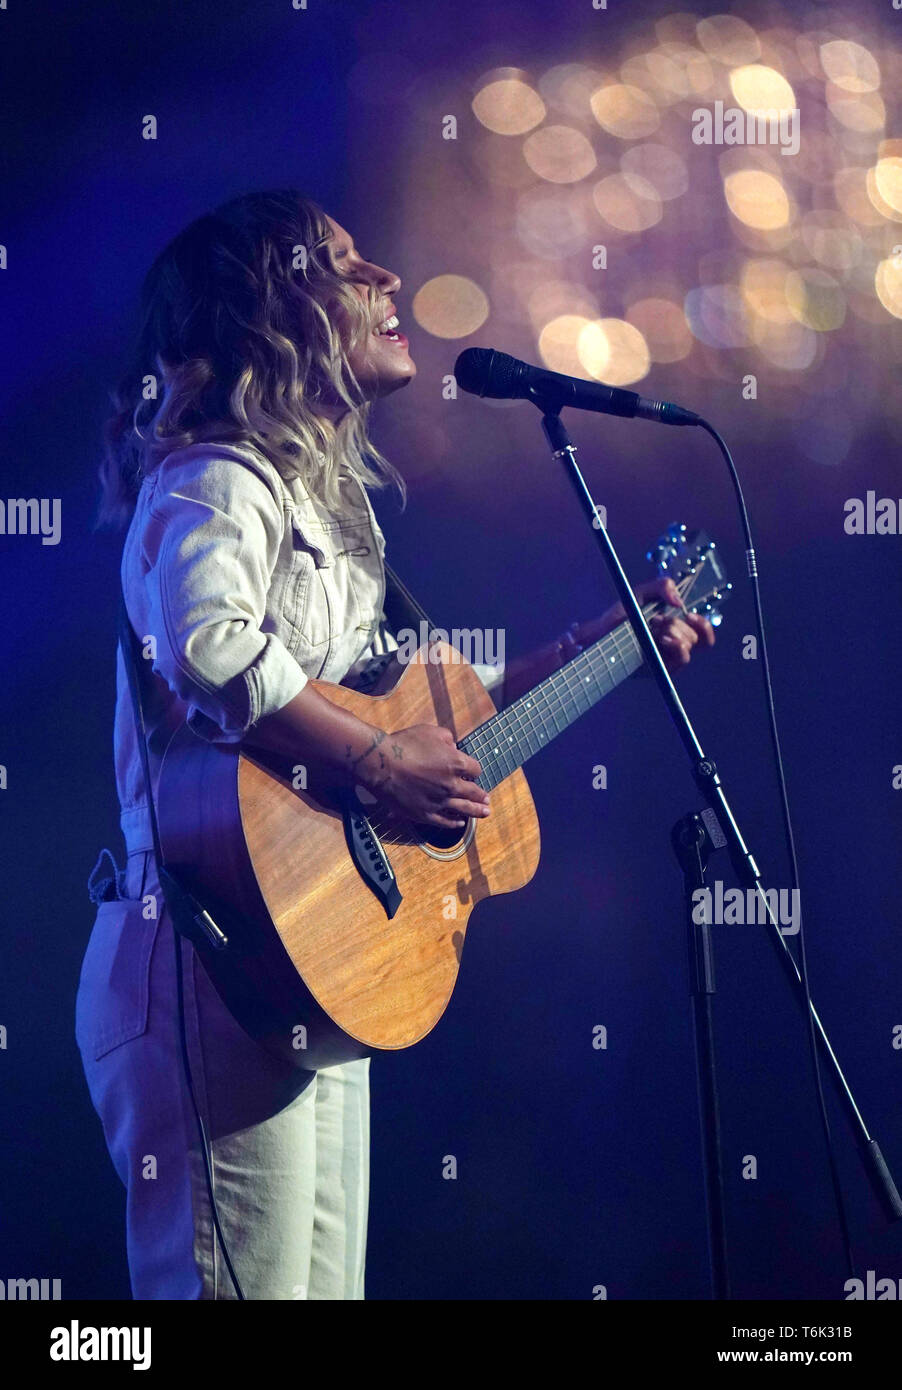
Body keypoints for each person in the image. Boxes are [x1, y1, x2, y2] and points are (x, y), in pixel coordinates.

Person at [75, 189, 714, 1300]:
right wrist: (371, 766)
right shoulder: (213, 477)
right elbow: (212, 651)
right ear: (265, 314)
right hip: (205, 955)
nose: (385, 284)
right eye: (341, 265)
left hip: (307, 964)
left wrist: (602, 645)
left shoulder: (326, 511)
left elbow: (434, 734)